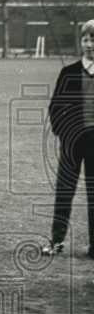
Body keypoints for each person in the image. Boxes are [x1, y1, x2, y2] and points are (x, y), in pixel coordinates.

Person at [42, 19, 94, 259]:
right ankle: (56, 240)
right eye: (86, 39)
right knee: (65, 191)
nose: (89, 44)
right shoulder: (69, 72)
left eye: (93, 39)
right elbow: (55, 108)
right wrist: (64, 132)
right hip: (73, 142)